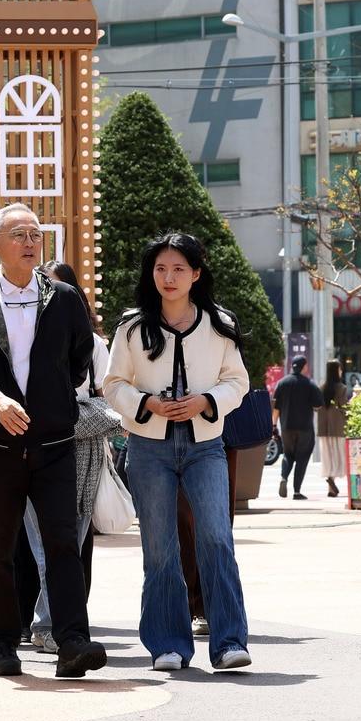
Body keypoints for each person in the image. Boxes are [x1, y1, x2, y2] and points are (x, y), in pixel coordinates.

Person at [0, 203, 107, 679]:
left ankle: (73, 641)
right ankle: (2, 644)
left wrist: (50, 398)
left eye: (36, 233)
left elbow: (80, 359)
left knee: (63, 544)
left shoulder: (62, 297)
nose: (30, 241)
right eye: (18, 233)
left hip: (55, 442)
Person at [103, 232, 252, 672]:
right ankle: (168, 644)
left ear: (196, 274)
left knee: (216, 539)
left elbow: (238, 382)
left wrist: (205, 401)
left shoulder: (220, 323)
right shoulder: (132, 326)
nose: (168, 278)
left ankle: (228, 642)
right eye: (160, 269)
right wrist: (147, 403)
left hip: (206, 445)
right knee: (159, 548)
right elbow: (113, 385)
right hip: (149, 446)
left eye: (178, 269)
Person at [20, 260, 115, 654]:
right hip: (26, 448)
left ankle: (53, 624)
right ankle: (47, 624)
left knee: (67, 544)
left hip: (80, 453)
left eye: (57, 289)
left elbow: (112, 402)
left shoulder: (94, 346)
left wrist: (60, 419)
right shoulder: (18, 338)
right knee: (37, 544)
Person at [272, 356, 322, 500]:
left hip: (287, 426)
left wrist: (274, 425)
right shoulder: (310, 384)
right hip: (305, 427)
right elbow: (318, 404)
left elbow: (276, 408)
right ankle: (297, 491)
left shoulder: (282, 383)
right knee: (302, 457)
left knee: (287, 454)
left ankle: (283, 477)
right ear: (304, 367)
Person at [316, 362, 348, 498]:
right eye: (340, 369)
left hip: (324, 428)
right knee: (338, 456)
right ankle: (332, 482)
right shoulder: (342, 388)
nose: (341, 371)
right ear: (337, 371)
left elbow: (317, 406)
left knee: (328, 457)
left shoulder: (321, 388)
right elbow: (344, 407)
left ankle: (331, 487)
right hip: (338, 427)